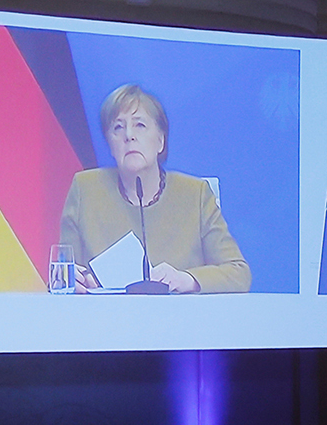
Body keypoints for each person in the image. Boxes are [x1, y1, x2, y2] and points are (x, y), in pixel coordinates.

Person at [58, 84, 251, 293]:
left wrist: (186, 279)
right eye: (118, 127)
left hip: (182, 314)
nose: (128, 135)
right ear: (111, 146)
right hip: (107, 313)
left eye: (139, 125)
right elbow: (64, 275)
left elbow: (238, 273)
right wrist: (74, 280)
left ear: (160, 141)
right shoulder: (85, 190)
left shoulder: (196, 194)